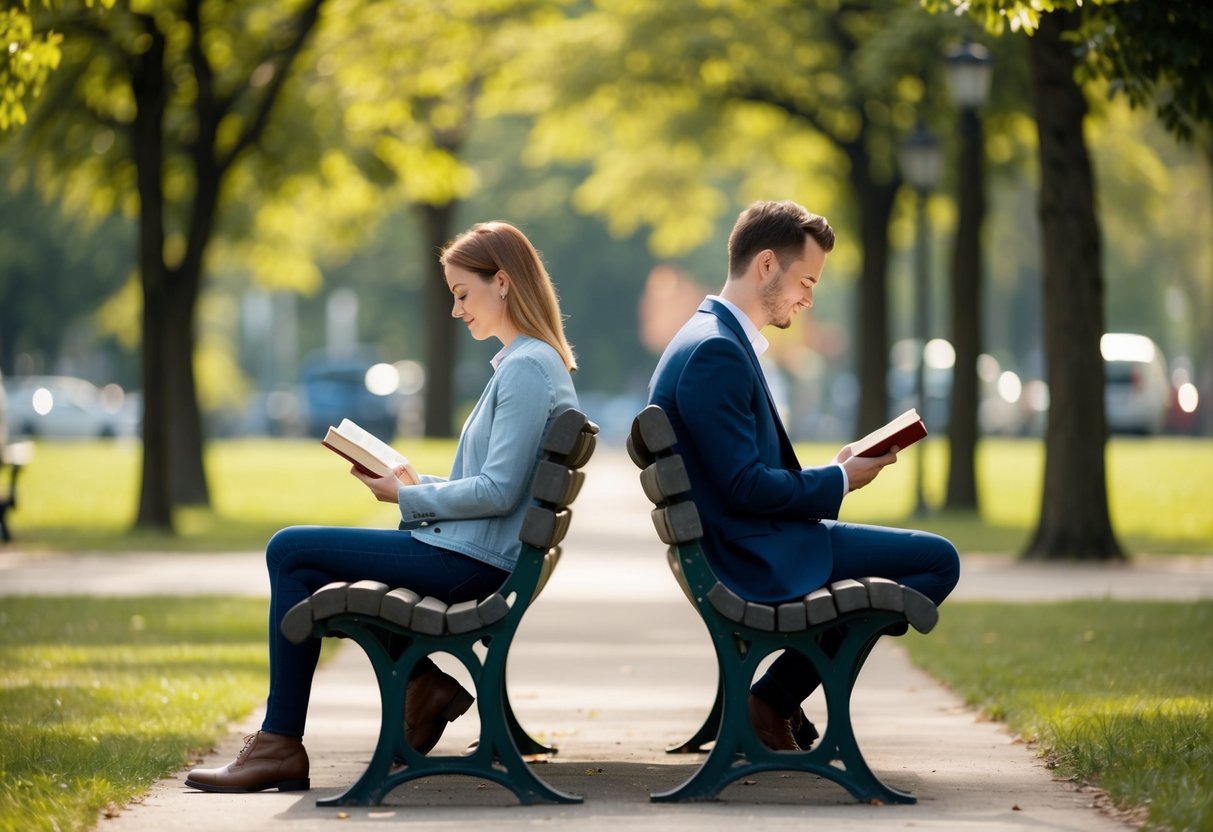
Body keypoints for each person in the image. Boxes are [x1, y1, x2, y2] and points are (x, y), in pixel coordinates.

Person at [186, 221, 578, 793]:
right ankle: (417, 687)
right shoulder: (532, 364)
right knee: (304, 558)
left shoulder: (525, 368)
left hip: (473, 565)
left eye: (462, 294)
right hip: (479, 554)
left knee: (291, 551)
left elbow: (496, 492)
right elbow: (501, 487)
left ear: (503, 283)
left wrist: (407, 496)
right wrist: (421, 483)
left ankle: (282, 743)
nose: (455, 310)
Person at [648, 200, 960, 751]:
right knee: (938, 561)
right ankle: (771, 700)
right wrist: (841, 482)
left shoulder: (711, 337)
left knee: (908, 572)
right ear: (766, 265)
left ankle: (774, 699)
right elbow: (745, 487)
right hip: (752, 557)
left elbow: (741, 476)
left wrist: (835, 470)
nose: (809, 299)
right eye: (806, 281)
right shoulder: (716, 352)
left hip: (750, 542)